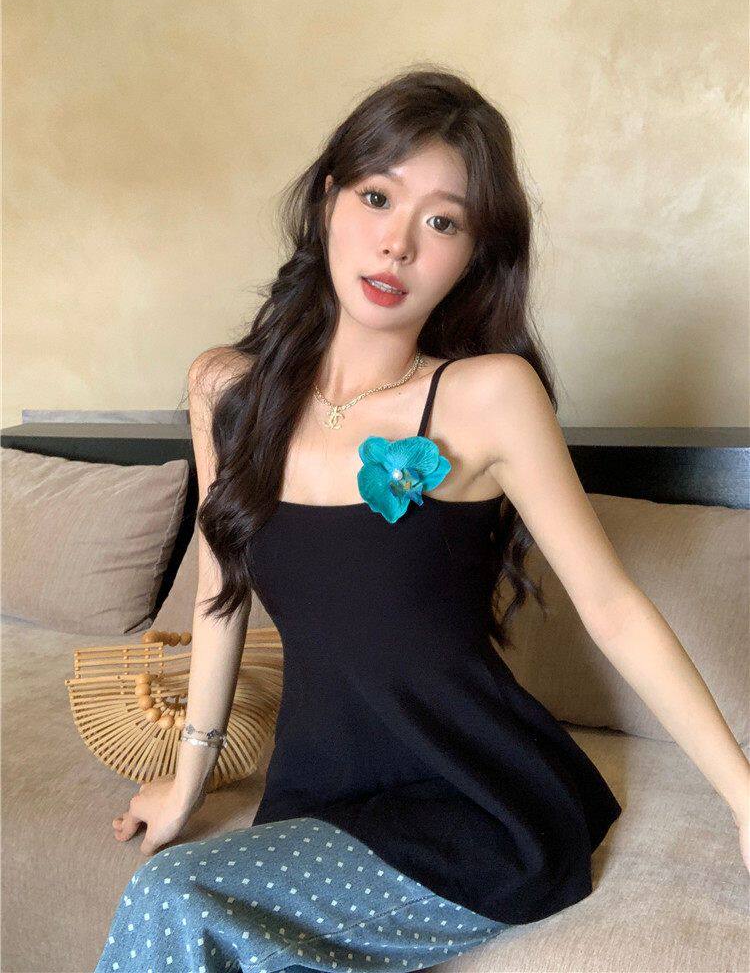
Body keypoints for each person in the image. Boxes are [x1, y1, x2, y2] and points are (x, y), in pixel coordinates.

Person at [95, 67, 750, 973]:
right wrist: (189, 779)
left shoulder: (489, 397)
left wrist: (744, 797)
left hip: (478, 802)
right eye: (376, 197)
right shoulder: (226, 390)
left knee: (171, 895)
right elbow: (220, 592)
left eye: (442, 222)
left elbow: (612, 607)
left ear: (473, 255)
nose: (397, 244)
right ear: (328, 201)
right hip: (321, 792)